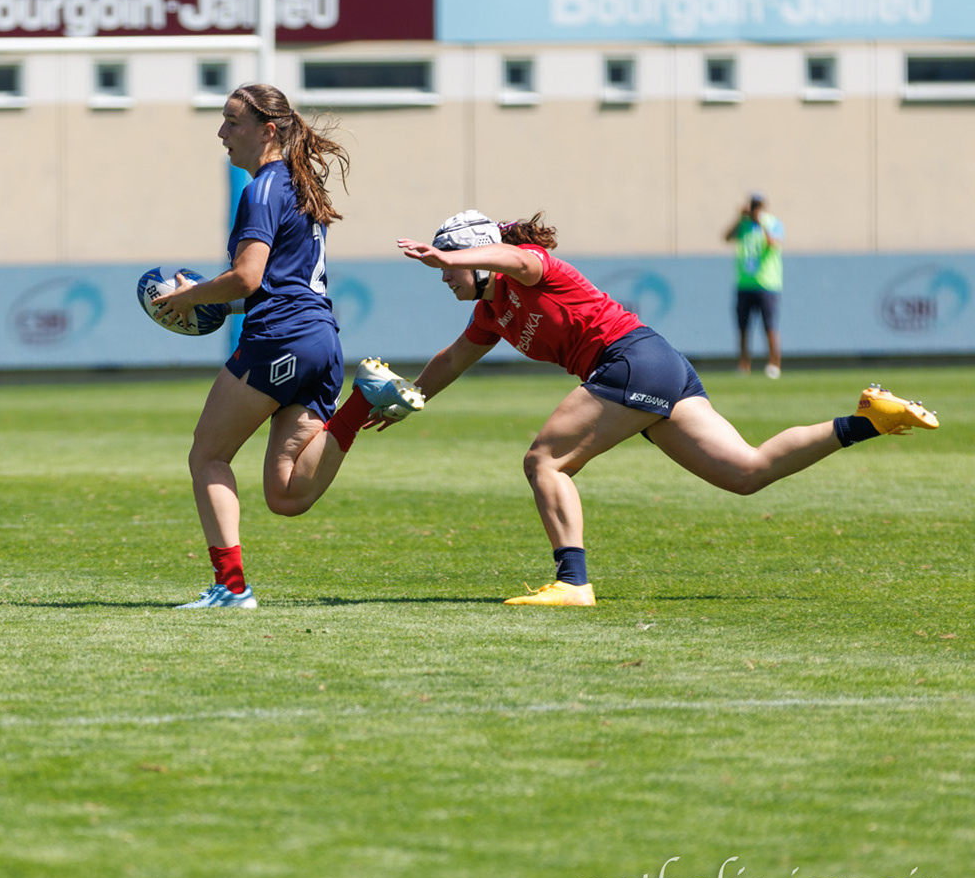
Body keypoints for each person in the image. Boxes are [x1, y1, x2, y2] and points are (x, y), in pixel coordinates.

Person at [395, 209, 939, 607]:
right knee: (745, 473)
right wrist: (411, 397)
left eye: (451, 267)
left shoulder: (527, 268)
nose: (446, 277)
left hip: (631, 360)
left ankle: (572, 582)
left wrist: (450, 252)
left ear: (477, 259)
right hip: (653, 364)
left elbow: (513, 254)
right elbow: (452, 359)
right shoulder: (493, 312)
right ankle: (870, 419)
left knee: (545, 462)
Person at [149, 83, 424, 610]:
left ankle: (231, 589)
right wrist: (211, 303)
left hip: (280, 338)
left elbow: (249, 278)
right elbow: (279, 280)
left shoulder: (260, 189)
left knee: (207, 455)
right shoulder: (303, 184)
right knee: (287, 495)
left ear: (266, 130)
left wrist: (192, 296)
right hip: (320, 340)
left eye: (232, 123)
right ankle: (362, 401)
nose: (222, 133)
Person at [725, 193, 784, 378]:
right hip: (745, 283)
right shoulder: (744, 225)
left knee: (769, 326)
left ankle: (773, 364)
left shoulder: (772, 222)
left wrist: (761, 223)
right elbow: (727, 237)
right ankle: (744, 365)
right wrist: (739, 218)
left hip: (767, 283)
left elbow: (773, 243)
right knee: (743, 326)